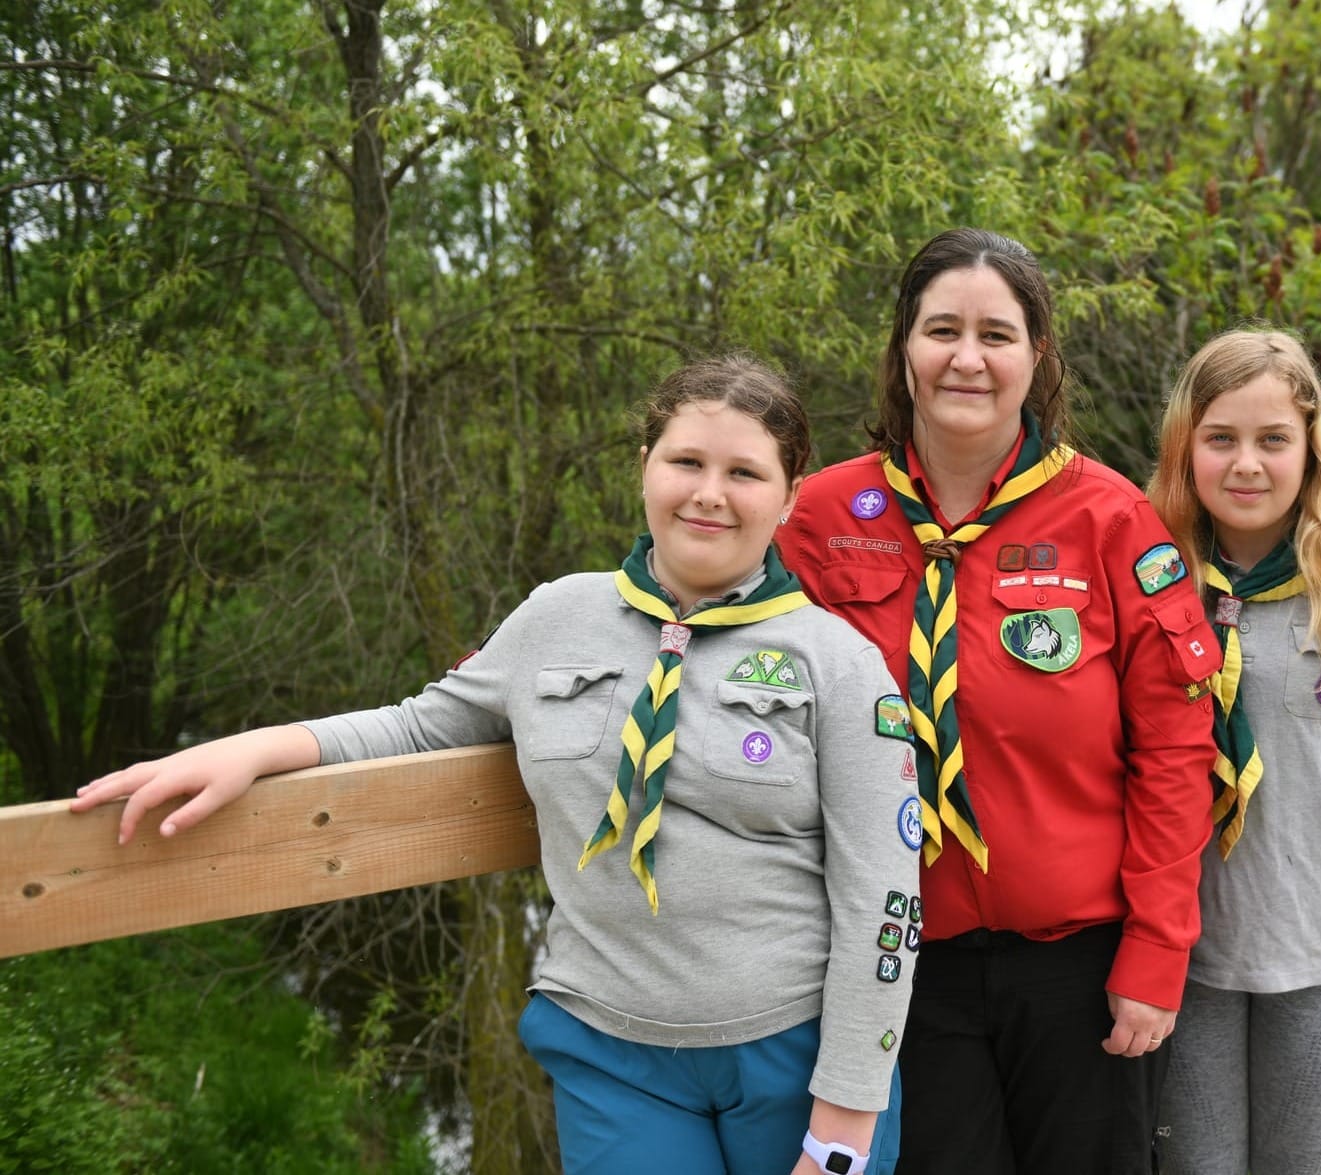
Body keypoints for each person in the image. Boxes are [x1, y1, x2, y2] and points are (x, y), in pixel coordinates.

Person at [71, 355, 921, 1175]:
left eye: (744, 473)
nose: (708, 492)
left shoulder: (837, 661)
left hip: (789, 1051)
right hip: (610, 1052)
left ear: (789, 496)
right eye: (686, 461)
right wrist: (253, 748)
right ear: (644, 467)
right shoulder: (556, 615)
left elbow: (884, 895)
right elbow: (419, 726)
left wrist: (846, 1113)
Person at [778, 228, 1222, 1174]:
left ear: (1038, 355)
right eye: (942, 330)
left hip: (1084, 964)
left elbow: (1177, 747)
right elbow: (718, 632)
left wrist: (1157, 948)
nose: (967, 359)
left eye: (996, 335)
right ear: (905, 347)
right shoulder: (820, 517)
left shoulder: (1110, 518)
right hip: (893, 960)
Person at [1145, 328, 1321, 1175]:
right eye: (1221, 438)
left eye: (1273, 439)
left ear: (1311, 450)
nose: (1247, 464)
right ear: (1186, 445)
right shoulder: (1150, 579)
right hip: (1187, 944)